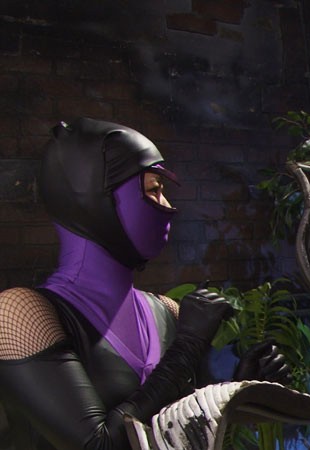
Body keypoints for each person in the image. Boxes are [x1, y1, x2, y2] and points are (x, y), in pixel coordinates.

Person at [0, 117, 290, 449]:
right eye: (153, 189)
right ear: (95, 197)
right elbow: (98, 445)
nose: (167, 206)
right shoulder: (19, 315)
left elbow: (181, 427)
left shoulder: (166, 312)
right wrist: (187, 346)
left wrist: (240, 390)